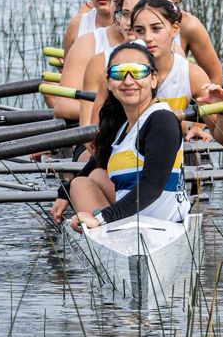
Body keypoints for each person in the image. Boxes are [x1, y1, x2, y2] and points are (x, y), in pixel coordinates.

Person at [63, 42, 191, 232]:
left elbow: (152, 186)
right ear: (109, 83)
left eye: (138, 72)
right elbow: (97, 161)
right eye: (119, 73)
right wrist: (63, 193)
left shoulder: (162, 119)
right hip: (132, 223)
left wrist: (101, 218)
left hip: (163, 228)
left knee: (90, 181)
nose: (128, 81)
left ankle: (103, 229)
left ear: (154, 79)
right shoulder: (122, 125)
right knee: (82, 182)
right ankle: (109, 230)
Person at [86, 0, 223, 146]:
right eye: (140, 30)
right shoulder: (117, 72)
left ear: (175, 29)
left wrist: (222, 110)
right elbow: (94, 139)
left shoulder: (192, 75)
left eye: (156, 29)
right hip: (123, 153)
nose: (148, 38)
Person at [50, 0, 158, 121]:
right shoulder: (90, 47)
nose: (125, 16)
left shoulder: (163, 49)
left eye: (135, 10)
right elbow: (63, 106)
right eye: (118, 3)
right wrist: (124, 110)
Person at [149, 0, 223, 85]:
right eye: (159, 1)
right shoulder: (130, 20)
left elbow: (215, 78)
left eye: (172, 4)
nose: (164, 10)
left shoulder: (189, 26)